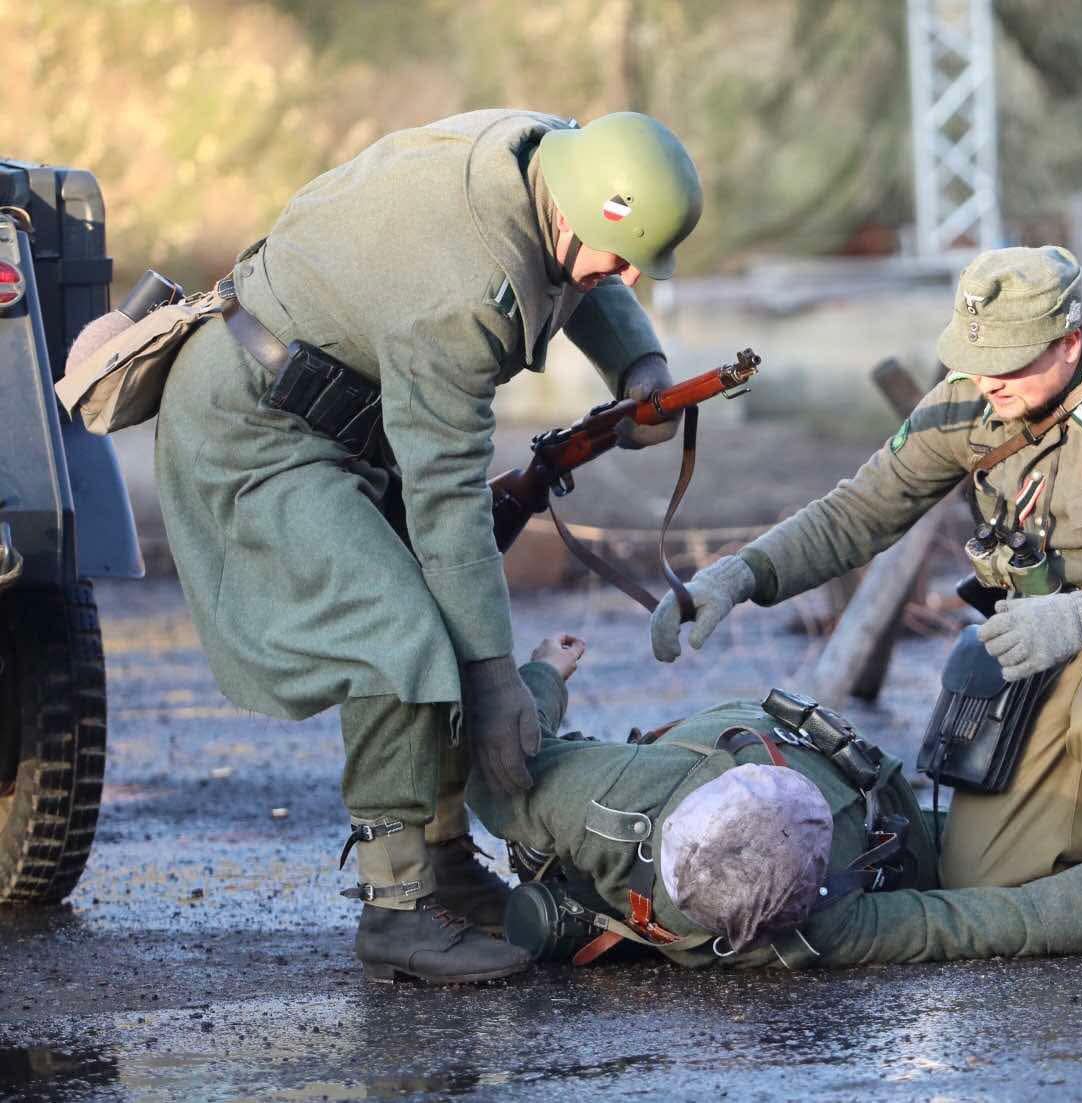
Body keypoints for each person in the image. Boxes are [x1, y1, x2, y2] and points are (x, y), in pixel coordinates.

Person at [151, 109, 702, 984]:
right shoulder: (460, 291)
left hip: (344, 413)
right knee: (396, 627)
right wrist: (497, 679)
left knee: (438, 610)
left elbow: (589, 264)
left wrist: (640, 366)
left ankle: (444, 863)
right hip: (253, 426)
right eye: (623, 255)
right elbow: (447, 503)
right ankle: (396, 908)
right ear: (570, 206)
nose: (630, 275)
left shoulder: (551, 157)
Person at [650, 245, 1082, 933]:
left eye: (1009, 361)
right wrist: (741, 573)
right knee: (985, 883)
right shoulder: (967, 400)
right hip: (1041, 652)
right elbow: (857, 513)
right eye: (976, 358)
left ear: (1069, 341)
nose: (988, 380)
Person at [462, 635, 1082, 971]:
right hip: (898, 832)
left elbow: (504, 762)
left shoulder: (609, 796)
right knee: (1026, 853)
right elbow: (967, 922)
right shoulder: (819, 927)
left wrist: (544, 673)